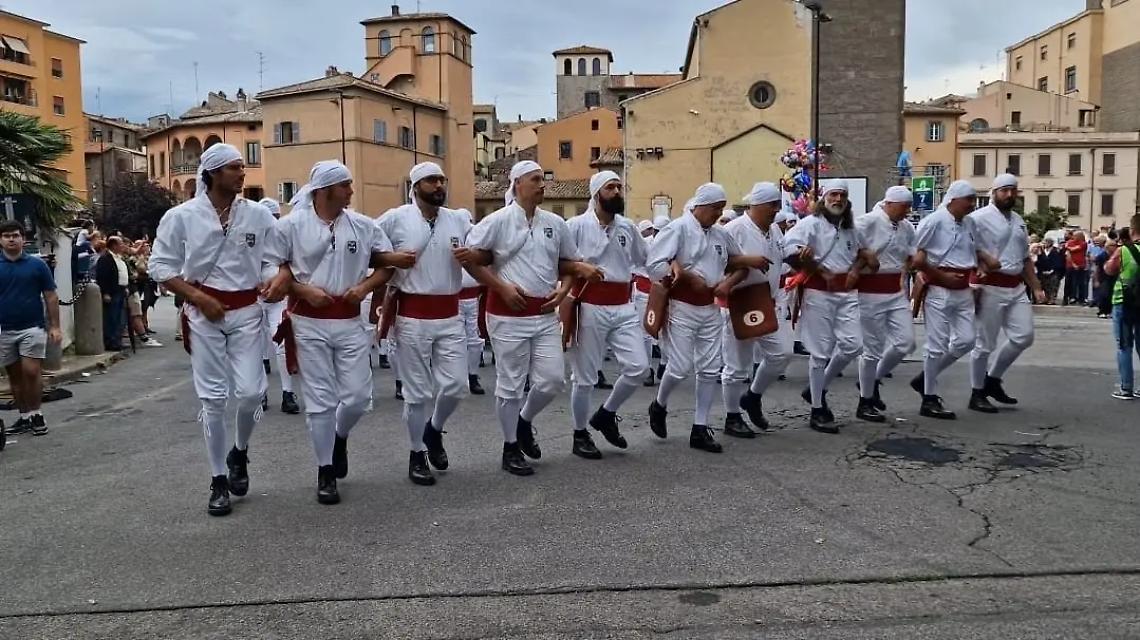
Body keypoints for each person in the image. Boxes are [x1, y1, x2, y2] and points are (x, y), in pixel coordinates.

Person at [264, 160, 408, 504]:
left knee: (358, 397)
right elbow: (271, 266)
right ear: (326, 190)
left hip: (350, 322)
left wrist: (365, 287)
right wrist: (302, 290)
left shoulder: (363, 225)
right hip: (308, 321)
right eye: (346, 185)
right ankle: (325, 470)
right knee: (319, 401)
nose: (351, 191)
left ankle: (338, 436)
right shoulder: (290, 226)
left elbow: (386, 264)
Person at [148, 143, 277, 517]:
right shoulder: (181, 216)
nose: (243, 173)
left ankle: (240, 451)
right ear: (213, 173)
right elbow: (160, 266)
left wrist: (271, 279)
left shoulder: (258, 215)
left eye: (242, 166)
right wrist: (197, 298)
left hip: (247, 312)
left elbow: (271, 258)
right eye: (235, 167)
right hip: (203, 314)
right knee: (214, 399)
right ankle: (218, 478)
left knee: (252, 394)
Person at [466, 160, 599, 476]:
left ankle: (523, 421)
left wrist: (564, 291)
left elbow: (569, 264)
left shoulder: (555, 223)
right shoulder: (496, 222)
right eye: (535, 179)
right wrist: (500, 286)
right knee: (510, 384)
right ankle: (510, 446)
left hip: (544, 314)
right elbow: (470, 261)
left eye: (543, 179)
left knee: (552, 379)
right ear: (517, 185)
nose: (542, 185)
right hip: (507, 314)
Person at [377, 162, 480, 485]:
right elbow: (370, 251)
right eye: (432, 180)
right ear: (416, 185)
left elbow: (479, 252)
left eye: (441, 180)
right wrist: (392, 260)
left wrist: (473, 257)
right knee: (417, 392)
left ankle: (433, 430)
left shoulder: (457, 220)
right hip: (412, 315)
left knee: (456, 385)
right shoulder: (395, 219)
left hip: (449, 314)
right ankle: (416, 452)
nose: (439, 185)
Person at [646, 183, 744, 453]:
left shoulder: (720, 234)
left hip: (710, 307)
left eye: (721, 209)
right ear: (699, 207)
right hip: (682, 306)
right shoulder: (678, 229)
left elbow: (737, 263)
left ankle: (700, 427)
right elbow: (654, 264)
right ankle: (660, 403)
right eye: (714, 209)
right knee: (678, 367)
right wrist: (686, 275)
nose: (718, 214)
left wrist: (730, 281)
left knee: (710, 369)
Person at [564, 171, 650, 459]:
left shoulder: (628, 227)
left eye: (618, 186)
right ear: (596, 193)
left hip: (623, 306)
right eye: (610, 187)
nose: (616, 191)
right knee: (585, 377)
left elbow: (646, 258)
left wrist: (670, 267)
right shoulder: (575, 226)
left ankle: (606, 413)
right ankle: (579, 433)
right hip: (589, 304)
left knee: (638, 367)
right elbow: (560, 262)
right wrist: (578, 269)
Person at [783, 181, 866, 434]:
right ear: (824, 198)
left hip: (847, 293)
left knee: (854, 344)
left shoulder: (851, 228)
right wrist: (814, 266)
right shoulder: (810, 224)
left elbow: (862, 253)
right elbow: (788, 250)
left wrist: (856, 269)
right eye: (834, 194)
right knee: (820, 353)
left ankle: (817, 388)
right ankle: (818, 408)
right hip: (819, 293)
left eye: (842, 195)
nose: (838, 199)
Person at [968, 174, 1046, 413]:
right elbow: (966, 248)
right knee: (984, 344)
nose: (1010, 195)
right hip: (989, 285)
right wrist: (974, 280)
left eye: (1013, 190)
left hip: (1015, 286)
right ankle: (977, 392)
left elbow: (1024, 259)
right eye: (1004, 190)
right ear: (993, 192)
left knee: (1024, 336)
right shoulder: (978, 218)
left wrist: (1036, 287)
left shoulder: (1019, 221)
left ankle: (993, 379)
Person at [724, 182, 791, 435]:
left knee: (781, 354)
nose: (776, 210)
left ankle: (752, 396)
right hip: (740, 301)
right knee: (736, 365)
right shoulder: (734, 229)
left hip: (768, 302)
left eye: (777, 204)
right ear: (756, 205)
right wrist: (745, 260)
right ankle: (732, 416)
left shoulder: (774, 230)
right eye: (771, 205)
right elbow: (718, 259)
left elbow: (783, 256)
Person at [909, 180, 979, 420]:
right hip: (939, 288)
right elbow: (916, 258)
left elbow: (974, 250)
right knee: (936, 344)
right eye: (968, 199)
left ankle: (926, 377)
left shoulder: (970, 223)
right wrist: (941, 276)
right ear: (953, 199)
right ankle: (929, 397)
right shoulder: (934, 221)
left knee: (967, 340)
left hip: (962, 289)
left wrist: (985, 263)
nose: (972, 204)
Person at [852, 186, 917, 422]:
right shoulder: (867, 221)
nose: (907, 212)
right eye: (904, 206)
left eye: (909, 207)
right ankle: (865, 400)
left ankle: (872, 379)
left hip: (895, 290)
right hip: (869, 291)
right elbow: (848, 241)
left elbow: (911, 253)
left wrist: (914, 260)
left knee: (905, 343)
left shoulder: (907, 227)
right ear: (889, 203)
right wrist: (865, 253)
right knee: (872, 349)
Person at [0, 221, 61, 439]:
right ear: (1, 240)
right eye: (6, 236)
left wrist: (55, 326)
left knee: (31, 372)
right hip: (4, 330)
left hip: (32, 327)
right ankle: (24, 415)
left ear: (23, 238)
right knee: (14, 378)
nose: (11, 239)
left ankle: (37, 414)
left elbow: (51, 296)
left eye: (15, 235)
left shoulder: (37, 266)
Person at [256, 197, 300, 414]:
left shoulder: (281, 237)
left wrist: (280, 282)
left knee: (281, 344)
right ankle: (260, 392)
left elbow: (291, 265)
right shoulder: (250, 236)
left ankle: (287, 392)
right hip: (254, 297)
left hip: (276, 298)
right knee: (254, 346)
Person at [1104, 216, 1140, 400]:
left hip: (1124, 302)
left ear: (1132, 231)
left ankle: (1126, 387)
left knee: (1124, 346)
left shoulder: (1124, 251)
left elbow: (1109, 270)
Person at [454, 208, 487, 396]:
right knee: (457, 339)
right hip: (456, 298)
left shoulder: (477, 243)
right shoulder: (452, 243)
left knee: (474, 339)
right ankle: (459, 377)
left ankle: (473, 376)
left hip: (473, 297)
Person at [632, 219, 658, 387]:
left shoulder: (673, 242)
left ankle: (665, 365)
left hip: (664, 292)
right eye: (653, 230)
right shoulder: (644, 244)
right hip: (643, 292)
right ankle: (648, 369)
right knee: (645, 332)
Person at [95, 236, 129, 352]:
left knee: (120, 318)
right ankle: (110, 341)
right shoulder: (105, 259)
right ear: (114, 245)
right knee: (111, 317)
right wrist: (105, 292)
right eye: (121, 244)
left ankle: (117, 340)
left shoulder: (119, 258)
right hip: (112, 292)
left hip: (120, 290)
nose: (123, 246)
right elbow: (103, 277)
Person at [1064, 231, 1089, 304]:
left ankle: (1081, 298)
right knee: (1068, 282)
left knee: (1080, 283)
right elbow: (1068, 254)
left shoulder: (1084, 243)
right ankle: (1067, 297)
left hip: (1080, 265)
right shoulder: (1070, 242)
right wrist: (1073, 263)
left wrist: (1067, 247)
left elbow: (1073, 249)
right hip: (1070, 265)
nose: (1073, 237)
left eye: (1075, 236)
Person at [1037, 238, 1064, 304]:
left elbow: (1058, 262)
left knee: (1053, 286)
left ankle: (1052, 299)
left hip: (1053, 271)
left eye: (1046, 243)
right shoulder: (1042, 252)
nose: (1044, 244)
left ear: (1050, 243)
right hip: (1043, 271)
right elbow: (1040, 262)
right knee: (1045, 285)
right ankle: (1046, 298)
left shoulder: (1055, 251)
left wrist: (1052, 270)